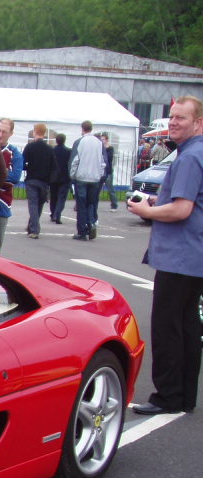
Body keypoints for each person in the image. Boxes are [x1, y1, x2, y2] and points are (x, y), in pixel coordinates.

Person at [127, 95, 203, 415]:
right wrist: (161, 200)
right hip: (192, 255)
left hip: (180, 255)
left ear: (198, 123)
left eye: (181, 118)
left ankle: (168, 396)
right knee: (187, 325)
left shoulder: (189, 157)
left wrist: (148, 209)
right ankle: (183, 396)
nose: (173, 122)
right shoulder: (193, 154)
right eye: (171, 117)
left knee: (167, 326)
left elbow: (183, 209)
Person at [0, 117, 24, 250]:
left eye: (4, 132)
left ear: (11, 134)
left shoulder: (14, 153)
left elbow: (15, 177)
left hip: (1, 203)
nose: (0, 134)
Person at [69, 120, 105, 241]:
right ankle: (91, 223)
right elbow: (102, 162)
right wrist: (99, 175)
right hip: (94, 178)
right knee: (91, 203)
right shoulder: (99, 143)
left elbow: (75, 160)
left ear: (82, 129)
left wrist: (72, 175)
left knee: (81, 205)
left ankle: (82, 231)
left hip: (82, 177)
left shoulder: (80, 142)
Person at [23, 122, 52, 238]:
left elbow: (23, 163)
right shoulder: (49, 149)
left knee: (33, 204)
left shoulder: (30, 147)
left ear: (35, 132)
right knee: (39, 205)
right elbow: (53, 165)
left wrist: (28, 167)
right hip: (44, 180)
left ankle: (35, 229)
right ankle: (32, 226)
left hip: (31, 179)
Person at [49, 133, 72, 224]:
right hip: (65, 176)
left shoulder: (52, 150)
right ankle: (57, 214)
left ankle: (53, 213)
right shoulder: (68, 151)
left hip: (54, 177)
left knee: (53, 196)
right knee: (61, 197)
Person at [101, 133, 118, 211]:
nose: (102, 141)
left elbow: (109, 158)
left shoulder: (110, 148)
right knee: (97, 188)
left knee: (110, 189)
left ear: (107, 140)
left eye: (103, 139)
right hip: (101, 171)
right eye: (101, 139)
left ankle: (114, 205)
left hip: (108, 171)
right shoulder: (100, 148)